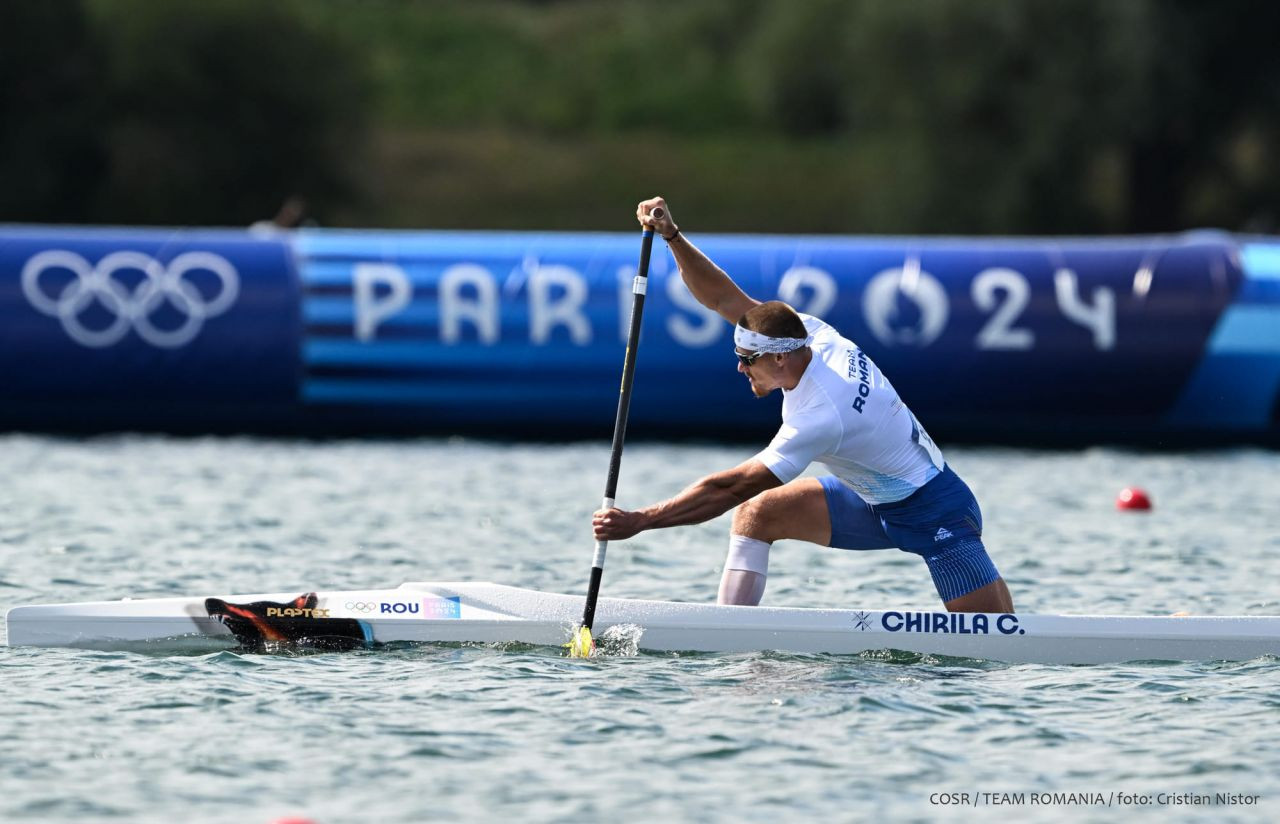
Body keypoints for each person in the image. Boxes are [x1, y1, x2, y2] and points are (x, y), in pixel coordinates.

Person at [591, 197, 1015, 613]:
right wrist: (672, 236)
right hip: (868, 500)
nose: (740, 369)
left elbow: (732, 486)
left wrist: (641, 520)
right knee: (759, 514)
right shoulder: (807, 331)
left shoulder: (821, 414)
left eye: (746, 360)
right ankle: (731, 632)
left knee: (993, 638)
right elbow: (723, 298)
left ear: (778, 357)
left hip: (934, 509)